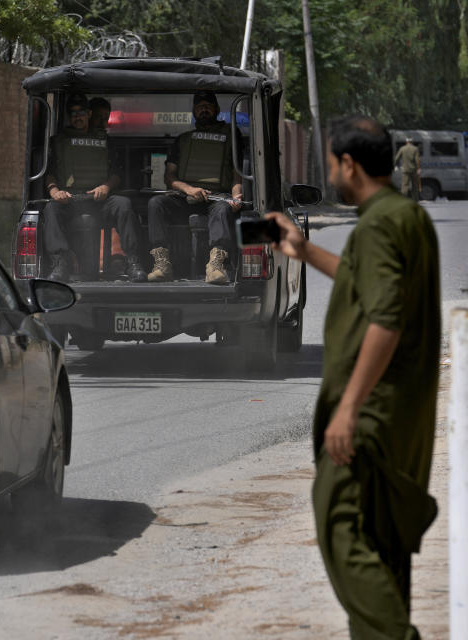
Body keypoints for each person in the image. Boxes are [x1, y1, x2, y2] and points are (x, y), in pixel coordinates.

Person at [266, 115, 440, 640]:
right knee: (381, 540)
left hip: (372, 414)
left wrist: (347, 408)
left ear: (349, 164)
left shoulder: (381, 223)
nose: (330, 175)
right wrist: (303, 250)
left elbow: (385, 317)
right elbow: (369, 284)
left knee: (338, 518)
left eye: (332, 164)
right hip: (402, 413)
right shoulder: (405, 216)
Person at [42, 93, 146, 282]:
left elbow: (116, 173)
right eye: (72, 113)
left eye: (81, 112)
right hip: (71, 200)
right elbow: (50, 173)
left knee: (123, 204)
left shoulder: (104, 140)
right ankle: (59, 264)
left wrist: (106, 187)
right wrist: (54, 191)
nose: (77, 117)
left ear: (89, 113)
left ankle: (133, 262)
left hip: (99, 200)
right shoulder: (59, 142)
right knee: (50, 208)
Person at [143, 90, 243, 284]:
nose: (203, 110)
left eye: (207, 106)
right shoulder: (183, 140)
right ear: (194, 112)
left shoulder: (231, 135)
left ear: (216, 109)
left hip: (216, 199)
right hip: (185, 198)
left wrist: (236, 196)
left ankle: (215, 266)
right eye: (199, 107)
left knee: (223, 210)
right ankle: (162, 264)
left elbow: (236, 173)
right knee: (156, 203)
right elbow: (169, 178)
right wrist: (189, 190)